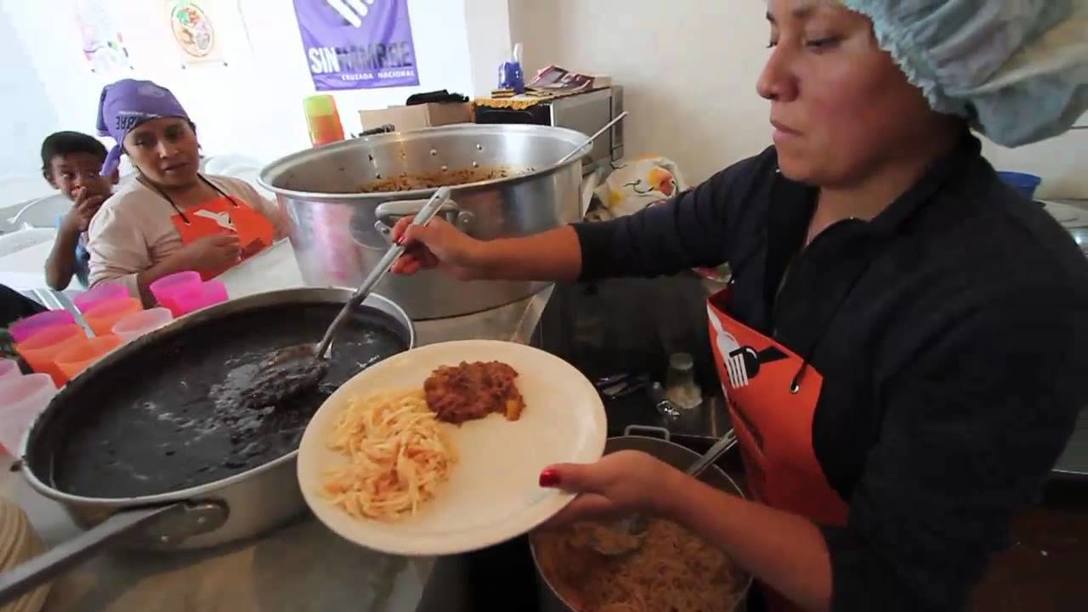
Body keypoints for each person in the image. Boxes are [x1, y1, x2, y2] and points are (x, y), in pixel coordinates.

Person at [392, 1, 1088, 610]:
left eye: (818, 41)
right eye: (772, 34)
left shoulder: (1014, 299)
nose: (768, 80)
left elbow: (891, 582)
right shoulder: (773, 188)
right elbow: (623, 245)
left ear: (945, 59)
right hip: (764, 548)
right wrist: (478, 259)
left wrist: (672, 495)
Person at [87, 79, 284, 304]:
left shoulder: (234, 188)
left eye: (175, 134)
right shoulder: (122, 214)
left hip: (274, 306)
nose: (167, 151)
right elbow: (101, 300)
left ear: (194, 133)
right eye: (144, 142)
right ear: (128, 154)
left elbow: (287, 232)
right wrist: (180, 268)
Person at [40, 131, 119, 290]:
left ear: (114, 173)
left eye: (93, 173)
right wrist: (69, 230)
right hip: (109, 307)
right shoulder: (67, 225)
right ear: (51, 179)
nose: (82, 182)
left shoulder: (129, 206)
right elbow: (57, 282)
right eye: (68, 175)